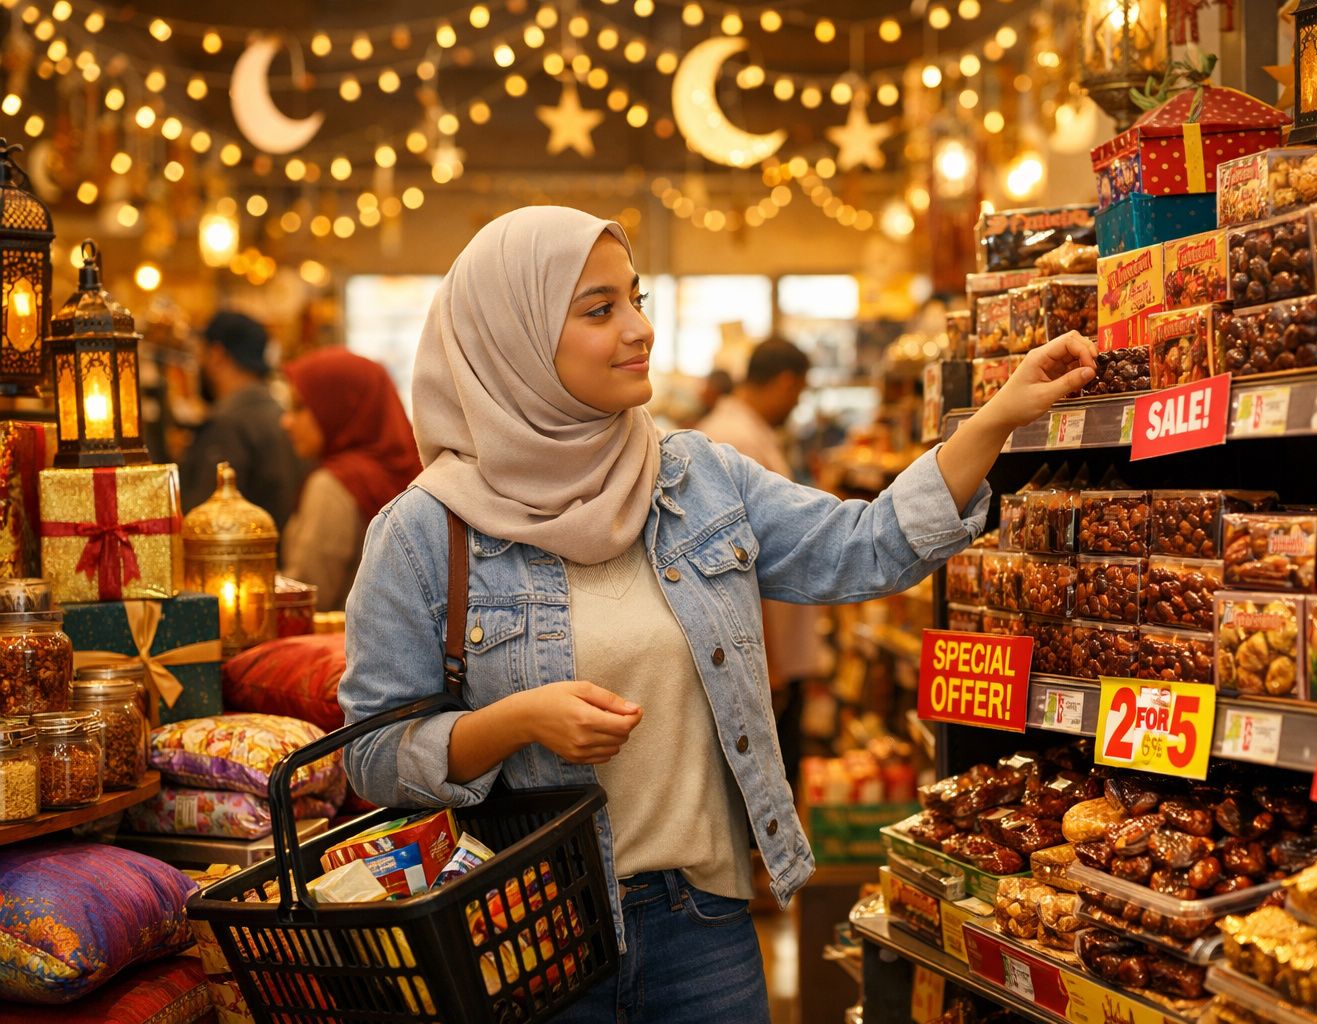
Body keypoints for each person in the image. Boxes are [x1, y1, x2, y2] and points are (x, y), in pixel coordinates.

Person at [339, 207, 1095, 1023]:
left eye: (636, 299)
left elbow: (866, 547)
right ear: (511, 341)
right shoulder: (424, 534)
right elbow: (372, 756)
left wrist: (997, 415)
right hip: (527, 936)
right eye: (599, 310)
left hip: (702, 928)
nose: (639, 329)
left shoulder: (695, 479)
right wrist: (517, 722)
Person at [697, 337, 817, 795]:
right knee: (770, 782)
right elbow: (733, 562)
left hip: (768, 647)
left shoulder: (741, 430)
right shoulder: (737, 438)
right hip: (763, 650)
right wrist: (767, 663)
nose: (796, 403)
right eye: (798, 392)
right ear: (785, 382)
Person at [280, 349, 422, 612]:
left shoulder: (333, 486)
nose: (286, 421)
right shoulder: (415, 472)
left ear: (338, 406)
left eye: (299, 407)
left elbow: (304, 599)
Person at [180, 312, 300, 531]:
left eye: (201, 353)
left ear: (216, 354)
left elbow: (204, 521)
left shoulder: (226, 424)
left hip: (241, 550)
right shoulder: (280, 413)